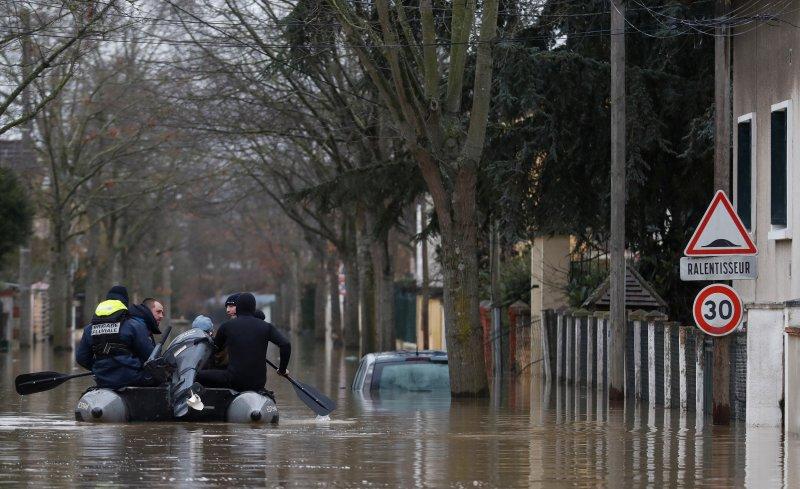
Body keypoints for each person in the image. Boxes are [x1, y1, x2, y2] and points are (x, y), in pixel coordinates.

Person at [197, 292, 290, 392]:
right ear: (253, 307)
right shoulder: (266, 327)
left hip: (234, 380)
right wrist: (282, 370)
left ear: (238, 307)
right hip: (258, 383)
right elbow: (285, 345)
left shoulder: (226, 326)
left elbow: (215, 348)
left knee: (197, 375)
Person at [76, 287, 161, 389]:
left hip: (102, 380)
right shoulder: (133, 325)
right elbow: (151, 356)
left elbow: (81, 358)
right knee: (161, 380)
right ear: (125, 303)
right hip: (131, 378)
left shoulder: (89, 328)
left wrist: (99, 368)